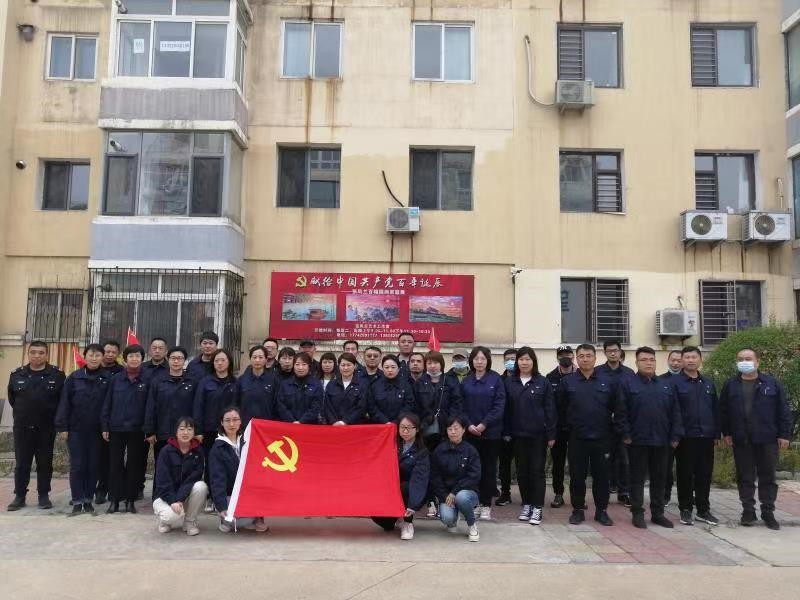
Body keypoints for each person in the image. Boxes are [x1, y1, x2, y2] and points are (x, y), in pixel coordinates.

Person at [720, 348, 793, 530]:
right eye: (740, 359)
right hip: (741, 438)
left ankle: (768, 512)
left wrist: (784, 434)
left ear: (757, 362)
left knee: (768, 476)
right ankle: (748, 511)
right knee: (745, 476)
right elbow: (723, 411)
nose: (744, 362)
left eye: (748, 358)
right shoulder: (731, 385)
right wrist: (726, 432)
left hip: (767, 438)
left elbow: (783, 410)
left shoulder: (772, 383)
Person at [557, 343, 626, 526]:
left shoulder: (608, 381)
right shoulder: (568, 382)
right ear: (576, 359)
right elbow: (560, 409)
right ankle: (578, 510)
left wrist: (617, 433)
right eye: (581, 356)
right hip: (577, 438)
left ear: (595, 358)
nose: (585, 359)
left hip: (602, 438)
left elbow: (619, 409)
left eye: (589, 356)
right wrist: (567, 429)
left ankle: (601, 511)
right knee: (577, 477)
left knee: (602, 477)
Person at [619, 346, 683, 529]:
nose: (648, 363)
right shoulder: (628, 384)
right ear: (637, 362)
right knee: (637, 479)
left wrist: (675, 436)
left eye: (651, 360)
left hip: (662, 441)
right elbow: (621, 412)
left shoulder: (666, 384)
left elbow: (676, 412)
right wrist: (626, 435)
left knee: (660, 478)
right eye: (644, 360)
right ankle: (637, 513)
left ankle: (658, 513)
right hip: (637, 441)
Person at [6, 341, 66, 511]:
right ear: (28, 354)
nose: (37, 356)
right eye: (33, 352)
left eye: (41, 353)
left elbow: (62, 401)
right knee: (22, 463)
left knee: (45, 463)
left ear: (47, 355)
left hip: (46, 428)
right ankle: (19, 496)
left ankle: (43, 495)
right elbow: (12, 399)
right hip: (23, 427)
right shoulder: (17, 374)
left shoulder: (57, 375)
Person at [504, 347, 557, 525]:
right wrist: (506, 432)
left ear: (533, 362)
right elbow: (506, 409)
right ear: (517, 362)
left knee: (536, 472)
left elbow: (550, 409)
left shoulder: (542, 382)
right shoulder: (510, 382)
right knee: (522, 472)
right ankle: (527, 504)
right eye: (521, 359)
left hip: (538, 436)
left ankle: (537, 507)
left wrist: (551, 434)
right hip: (518, 435)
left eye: (528, 359)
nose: (524, 362)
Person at [55, 344, 109, 516]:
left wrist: (106, 427)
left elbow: (108, 405)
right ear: (85, 357)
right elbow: (64, 402)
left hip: (97, 431)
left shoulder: (107, 378)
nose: (94, 358)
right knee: (77, 466)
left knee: (93, 466)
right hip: (76, 429)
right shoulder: (74, 377)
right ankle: (77, 501)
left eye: (97, 355)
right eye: (91, 355)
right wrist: (62, 426)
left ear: (102, 357)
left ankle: (88, 500)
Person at [671, 346, 719, 526]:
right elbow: (673, 411)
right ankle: (685, 508)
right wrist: (675, 435)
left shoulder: (708, 383)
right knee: (685, 474)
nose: (690, 360)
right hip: (685, 437)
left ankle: (703, 510)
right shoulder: (674, 383)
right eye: (687, 357)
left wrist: (716, 433)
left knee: (704, 474)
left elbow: (715, 409)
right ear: (682, 361)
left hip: (706, 436)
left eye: (694, 357)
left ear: (700, 359)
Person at [101, 344, 150, 514]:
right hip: (116, 428)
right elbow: (107, 403)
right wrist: (105, 425)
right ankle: (114, 500)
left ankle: (130, 500)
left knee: (134, 465)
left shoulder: (148, 379)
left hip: (138, 429)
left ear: (142, 359)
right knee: (115, 465)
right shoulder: (116, 379)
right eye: (131, 356)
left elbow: (150, 406)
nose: (134, 359)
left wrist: (148, 428)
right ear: (125, 359)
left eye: (137, 356)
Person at [415, 351, 463, 518]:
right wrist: (423, 422)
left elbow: (457, 404)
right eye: (429, 363)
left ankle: (445, 499)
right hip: (426, 431)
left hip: (445, 430)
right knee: (427, 466)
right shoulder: (420, 382)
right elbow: (415, 406)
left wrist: (451, 425)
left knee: (444, 466)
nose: (432, 366)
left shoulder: (450, 381)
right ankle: (430, 501)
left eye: (435, 362)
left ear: (441, 364)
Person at [144, 346, 197, 497]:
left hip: (185, 433)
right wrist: (150, 431)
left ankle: (181, 497)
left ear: (184, 361)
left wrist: (195, 430)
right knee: (162, 465)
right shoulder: (158, 381)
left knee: (183, 466)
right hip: (163, 431)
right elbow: (151, 406)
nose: (176, 361)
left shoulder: (192, 382)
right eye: (173, 358)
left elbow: (196, 408)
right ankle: (159, 497)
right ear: (168, 359)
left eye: (179, 358)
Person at [460, 346, 506, 520]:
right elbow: (461, 406)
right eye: (476, 359)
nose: (479, 362)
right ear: (471, 361)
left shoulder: (496, 379)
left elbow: (499, 405)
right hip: (470, 433)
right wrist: (469, 425)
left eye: (483, 359)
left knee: (488, 469)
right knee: (473, 470)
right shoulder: (466, 381)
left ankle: (486, 504)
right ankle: (475, 503)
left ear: (488, 361)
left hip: (490, 433)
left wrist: (484, 424)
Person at [372, 413, 430, 540]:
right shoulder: (391, 444)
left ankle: (407, 522)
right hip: (390, 490)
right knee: (384, 523)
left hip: (411, 491)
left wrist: (412, 505)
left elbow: (419, 480)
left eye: (409, 428)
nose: (405, 431)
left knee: (403, 487)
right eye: (402, 427)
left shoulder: (422, 452)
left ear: (417, 429)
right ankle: (397, 518)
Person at [210, 407, 268, 533]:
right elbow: (217, 480)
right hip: (230, 495)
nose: (232, 424)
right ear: (222, 422)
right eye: (227, 420)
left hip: (248, 492)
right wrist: (222, 507)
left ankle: (258, 517)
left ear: (241, 421)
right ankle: (226, 519)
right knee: (235, 520)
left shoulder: (249, 440)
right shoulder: (217, 448)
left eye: (235, 419)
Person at [152, 417, 208, 536]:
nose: (185, 432)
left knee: (201, 486)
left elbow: (194, 478)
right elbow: (162, 481)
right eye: (182, 429)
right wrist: (173, 500)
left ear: (194, 432)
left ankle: (189, 522)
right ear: (176, 431)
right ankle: (164, 522)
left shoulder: (198, 451)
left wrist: (179, 499)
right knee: (171, 516)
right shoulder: (166, 451)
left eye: (189, 429)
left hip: (183, 497)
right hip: (165, 496)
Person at [596, 339, 635, 507]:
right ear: (605, 353)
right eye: (609, 350)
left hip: (624, 423)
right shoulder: (597, 372)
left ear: (620, 352)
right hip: (603, 423)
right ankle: (604, 491)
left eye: (616, 350)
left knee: (625, 460)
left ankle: (624, 492)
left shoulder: (629, 373)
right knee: (604, 459)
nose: (613, 353)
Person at [430, 416, 481, 542]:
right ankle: (455, 515)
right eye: (450, 429)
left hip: (467, 492)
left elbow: (474, 475)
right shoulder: (440, 450)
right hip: (447, 495)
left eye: (456, 428)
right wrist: (444, 495)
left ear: (463, 430)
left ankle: (472, 526)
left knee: (461, 497)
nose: (453, 432)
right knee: (448, 519)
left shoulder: (470, 450)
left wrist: (454, 492)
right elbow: (435, 476)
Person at [193, 349, 239, 467]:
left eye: (223, 360)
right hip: (210, 430)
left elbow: (240, 406)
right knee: (211, 464)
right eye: (216, 360)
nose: (219, 363)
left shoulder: (235, 383)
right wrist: (198, 431)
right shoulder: (205, 382)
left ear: (229, 362)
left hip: (230, 430)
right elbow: (198, 406)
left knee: (230, 464)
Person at [546, 345, 575, 508]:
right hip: (557, 428)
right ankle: (558, 494)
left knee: (577, 464)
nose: (565, 357)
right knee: (558, 464)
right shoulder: (550, 377)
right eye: (561, 354)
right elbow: (549, 406)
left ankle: (578, 496)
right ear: (557, 357)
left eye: (568, 354)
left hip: (576, 428)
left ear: (573, 356)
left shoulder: (580, 375)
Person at [95, 340, 122, 505]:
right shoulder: (92, 369)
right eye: (107, 351)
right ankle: (85, 489)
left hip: (111, 421)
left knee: (107, 458)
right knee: (91, 458)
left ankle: (103, 489)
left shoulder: (121, 372)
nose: (110, 355)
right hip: (91, 420)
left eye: (114, 352)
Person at [237, 346, 279, 428]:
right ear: (250, 359)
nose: (257, 360)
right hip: (246, 425)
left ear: (266, 359)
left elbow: (277, 404)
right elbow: (236, 403)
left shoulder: (273, 380)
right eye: (254, 357)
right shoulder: (242, 380)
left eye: (260, 357)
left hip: (266, 425)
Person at [496, 348, 518, 507]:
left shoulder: (525, 379)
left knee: (523, 465)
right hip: (503, 429)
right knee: (504, 465)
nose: (511, 362)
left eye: (514, 359)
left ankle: (527, 495)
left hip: (522, 428)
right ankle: (505, 493)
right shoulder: (499, 380)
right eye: (508, 359)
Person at [320, 353, 367, 425]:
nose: (345, 368)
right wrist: (334, 421)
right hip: (334, 426)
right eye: (343, 365)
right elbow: (327, 407)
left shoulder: (362, 385)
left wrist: (344, 422)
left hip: (354, 426)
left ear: (355, 366)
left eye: (348, 365)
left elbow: (361, 407)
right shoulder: (331, 384)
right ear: (339, 366)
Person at [368, 355, 416, 424]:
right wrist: (385, 421)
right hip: (379, 424)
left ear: (398, 369)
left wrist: (396, 421)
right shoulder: (375, 385)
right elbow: (371, 407)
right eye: (386, 367)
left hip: (400, 424)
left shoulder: (405, 385)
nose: (390, 370)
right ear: (382, 368)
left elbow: (409, 405)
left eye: (393, 367)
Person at [276, 352, 323, 424]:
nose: (300, 368)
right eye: (297, 364)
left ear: (309, 366)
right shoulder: (285, 384)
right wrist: (292, 421)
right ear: (293, 366)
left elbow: (316, 407)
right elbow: (281, 405)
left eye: (304, 364)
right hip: (288, 424)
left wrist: (302, 421)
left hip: (309, 425)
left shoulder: (316, 384)